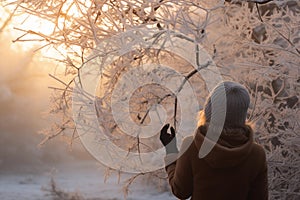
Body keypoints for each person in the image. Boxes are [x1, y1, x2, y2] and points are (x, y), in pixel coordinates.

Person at [159, 81, 268, 200]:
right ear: (241, 115)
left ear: (210, 110)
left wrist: (171, 151)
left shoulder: (192, 146)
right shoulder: (257, 154)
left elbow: (181, 191)